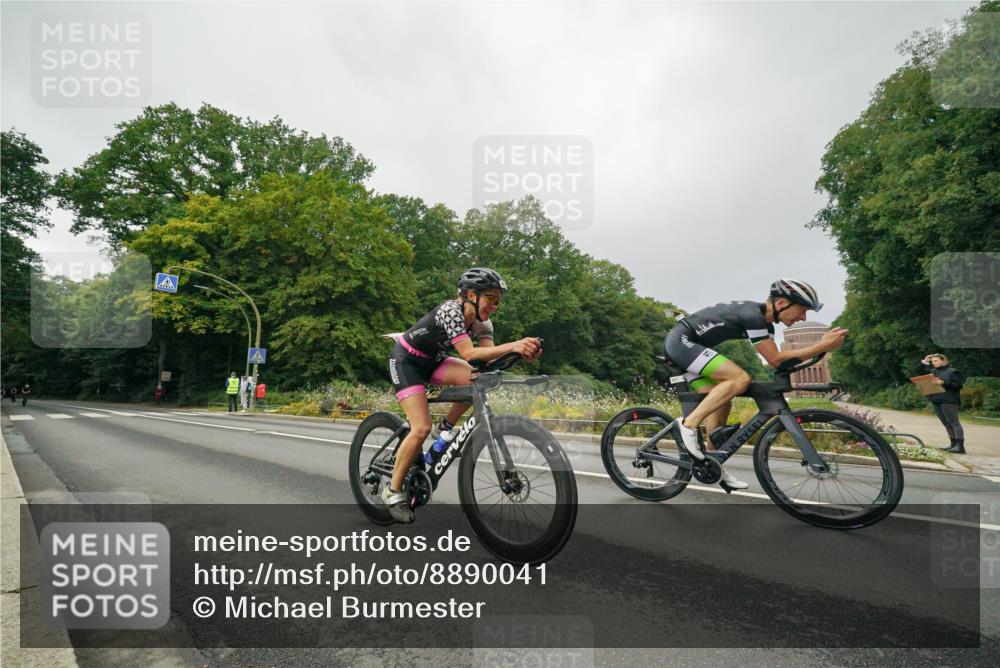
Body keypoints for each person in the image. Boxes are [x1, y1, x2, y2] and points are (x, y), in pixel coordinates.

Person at [382, 267, 542, 523]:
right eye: (490, 298)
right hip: (406, 362)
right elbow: (469, 354)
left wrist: (522, 353)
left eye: (498, 301)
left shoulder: (483, 323)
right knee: (420, 428)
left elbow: (487, 360)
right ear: (470, 294)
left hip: (434, 360)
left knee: (476, 378)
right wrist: (514, 344)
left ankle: (445, 427)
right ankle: (392, 492)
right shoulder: (451, 312)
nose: (494, 306)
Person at [664, 278, 848, 489]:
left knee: (722, 401)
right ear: (780, 304)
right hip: (681, 342)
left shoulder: (766, 324)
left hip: (691, 347)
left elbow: (778, 360)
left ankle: (711, 463)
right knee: (739, 379)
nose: (803, 317)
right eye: (802, 310)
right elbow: (776, 359)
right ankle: (687, 426)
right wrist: (821, 345)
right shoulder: (753, 315)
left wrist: (820, 349)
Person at [921, 353, 965, 454]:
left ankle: (960, 446)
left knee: (954, 422)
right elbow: (921, 373)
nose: (934, 363)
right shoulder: (933, 371)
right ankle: (953, 444)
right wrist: (925, 362)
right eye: (932, 362)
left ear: (943, 361)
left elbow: (958, 386)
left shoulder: (953, 372)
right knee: (946, 423)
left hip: (949, 400)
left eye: (936, 361)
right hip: (936, 400)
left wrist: (943, 383)